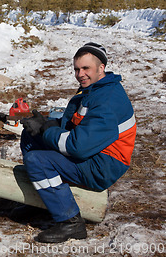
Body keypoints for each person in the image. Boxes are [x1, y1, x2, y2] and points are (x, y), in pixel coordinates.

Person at [19, 42, 136, 243]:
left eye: (86, 68)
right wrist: (48, 124)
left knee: (38, 160)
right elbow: (78, 125)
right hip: (94, 153)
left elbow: (77, 147)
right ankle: (40, 199)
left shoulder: (107, 100)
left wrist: (47, 129)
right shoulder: (95, 89)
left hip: (103, 165)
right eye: (76, 69)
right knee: (30, 136)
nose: (80, 74)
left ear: (101, 68)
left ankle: (70, 223)